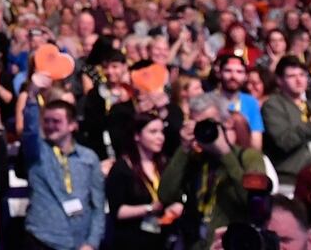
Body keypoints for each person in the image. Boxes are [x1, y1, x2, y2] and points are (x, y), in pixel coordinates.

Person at [157, 92, 266, 250]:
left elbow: (254, 202)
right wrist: (184, 149)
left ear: (226, 122)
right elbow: (165, 194)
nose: (204, 129)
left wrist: (225, 154)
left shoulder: (249, 157)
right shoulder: (193, 159)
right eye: (198, 124)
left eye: (209, 123)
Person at [22, 73, 105, 250]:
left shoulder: (88, 158)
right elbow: (30, 130)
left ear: (73, 125)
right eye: (47, 121)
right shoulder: (38, 151)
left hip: (78, 244)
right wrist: (31, 96)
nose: (51, 126)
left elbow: (98, 206)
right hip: (41, 239)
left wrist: (92, 243)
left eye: (57, 121)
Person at [106, 112, 184, 248]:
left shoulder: (165, 164)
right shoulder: (122, 168)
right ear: (137, 135)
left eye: (161, 132)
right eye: (153, 132)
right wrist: (149, 208)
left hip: (163, 238)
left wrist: (177, 206)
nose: (160, 137)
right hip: (132, 239)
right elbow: (117, 211)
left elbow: (177, 194)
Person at [262, 56, 311, 188]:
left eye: (302, 75)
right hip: (287, 179)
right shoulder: (273, 104)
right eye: (291, 76)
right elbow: (284, 142)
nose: (299, 80)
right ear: (280, 80)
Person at [214, 54, 264, 151]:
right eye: (228, 71)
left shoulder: (250, 102)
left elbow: (256, 144)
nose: (233, 76)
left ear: (245, 76)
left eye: (239, 72)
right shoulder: (205, 100)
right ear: (219, 73)